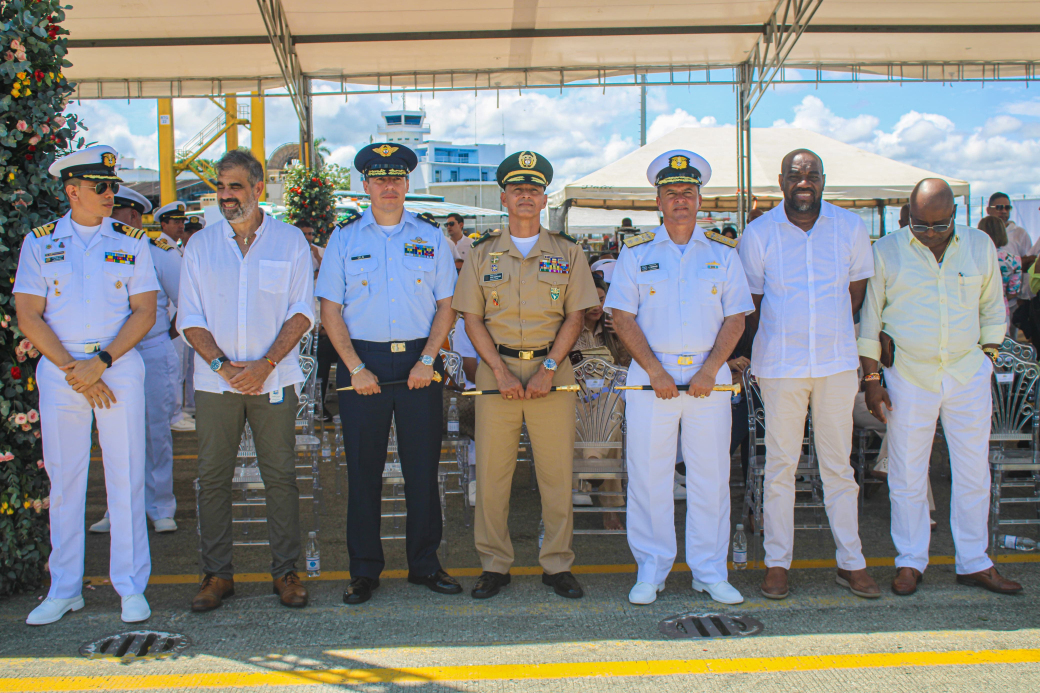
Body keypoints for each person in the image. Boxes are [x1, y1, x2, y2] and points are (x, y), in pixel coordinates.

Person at [16, 145, 158, 625]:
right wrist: (74, 369)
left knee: (127, 475)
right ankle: (64, 587)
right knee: (66, 479)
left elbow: (145, 311)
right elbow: (28, 315)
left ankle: (130, 586)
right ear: (72, 190)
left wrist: (100, 362)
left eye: (112, 186)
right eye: (100, 187)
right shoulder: (39, 242)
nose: (109, 194)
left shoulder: (132, 240)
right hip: (63, 371)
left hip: (114, 364)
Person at [860, 179, 1021, 596]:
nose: (930, 234)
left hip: (967, 373)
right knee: (908, 473)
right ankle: (910, 561)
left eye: (939, 226)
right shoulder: (886, 250)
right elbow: (871, 320)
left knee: (972, 471)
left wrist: (987, 359)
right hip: (909, 376)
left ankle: (974, 561)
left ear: (954, 215)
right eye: (920, 226)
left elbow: (992, 307)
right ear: (908, 216)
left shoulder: (980, 245)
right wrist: (873, 379)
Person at [606, 150, 754, 606]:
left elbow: (737, 318)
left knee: (710, 477)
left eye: (687, 192)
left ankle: (709, 571)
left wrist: (711, 369)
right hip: (653, 378)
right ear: (658, 202)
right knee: (650, 477)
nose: (680, 201)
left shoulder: (724, 254)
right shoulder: (636, 254)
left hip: (709, 378)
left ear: (699, 199)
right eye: (671, 193)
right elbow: (621, 315)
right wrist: (655, 371)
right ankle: (651, 569)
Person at [316, 143, 460, 605]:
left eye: (396, 178)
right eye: (379, 178)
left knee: (422, 470)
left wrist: (428, 359)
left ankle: (424, 564)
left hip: (420, 361)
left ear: (406, 184)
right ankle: (364, 571)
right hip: (363, 364)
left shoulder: (431, 236)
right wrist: (354, 367)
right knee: (363, 473)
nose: (388, 186)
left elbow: (447, 305)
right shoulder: (344, 238)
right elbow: (330, 309)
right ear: (365, 186)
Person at [453, 151, 599, 600]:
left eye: (533, 190)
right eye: (517, 189)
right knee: (492, 475)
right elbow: (471, 319)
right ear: (504, 197)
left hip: (552, 372)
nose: (525, 197)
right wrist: (499, 371)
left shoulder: (568, 252)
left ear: (544, 199)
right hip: (497, 374)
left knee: (555, 475)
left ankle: (557, 564)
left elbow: (576, 316)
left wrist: (549, 369)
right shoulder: (480, 254)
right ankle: (494, 564)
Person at [738, 148, 880, 601]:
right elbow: (752, 306)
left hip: (836, 364)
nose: (804, 182)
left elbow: (855, 296)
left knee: (839, 468)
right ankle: (778, 563)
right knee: (781, 467)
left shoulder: (850, 228)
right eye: (795, 175)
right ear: (781, 181)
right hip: (781, 367)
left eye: (812, 174)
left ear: (823, 179)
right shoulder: (759, 234)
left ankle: (851, 563)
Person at [178, 149, 314, 612]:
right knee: (212, 478)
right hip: (216, 383)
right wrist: (224, 367)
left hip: (274, 379)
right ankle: (217, 575)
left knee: (280, 476)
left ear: (258, 188)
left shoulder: (290, 241)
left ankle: (286, 572)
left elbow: (302, 312)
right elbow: (189, 317)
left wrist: (265, 366)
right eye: (220, 186)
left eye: (235, 186)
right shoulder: (199, 246)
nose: (226, 195)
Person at [89, 185, 180, 535]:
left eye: (115, 211)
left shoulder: (158, 251)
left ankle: (160, 506)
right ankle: (119, 508)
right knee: (112, 434)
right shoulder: (96, 248)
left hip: (151, 348)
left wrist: (162, 336)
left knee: (155, 430)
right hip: (106, 355)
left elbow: (185, 301)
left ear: (131, 216)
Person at [978, 215, 1022, 325]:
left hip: (974, 310)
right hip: (1000, 310)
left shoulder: (971, 258)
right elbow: (1013, 292)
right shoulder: (1013, 260)